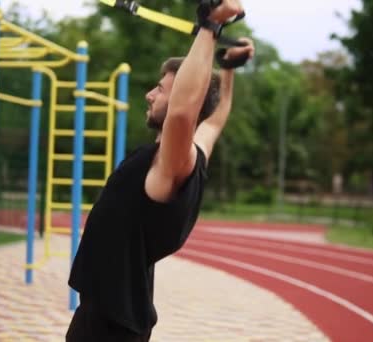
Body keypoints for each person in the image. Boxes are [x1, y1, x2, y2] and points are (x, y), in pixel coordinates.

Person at [65, 1, 255, 340]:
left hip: (108, 328)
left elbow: (183, 113)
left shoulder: (173, 163)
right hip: (111, 316)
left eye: (161, 90)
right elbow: (216, 117)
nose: (150, 95)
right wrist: (228, 70)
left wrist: (211, 27)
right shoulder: (192, 153)